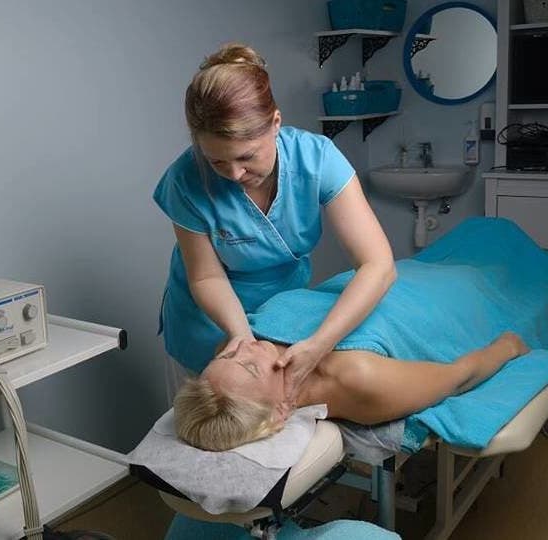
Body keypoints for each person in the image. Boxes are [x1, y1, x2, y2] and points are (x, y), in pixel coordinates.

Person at [153, 42, 396, 396]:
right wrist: (240, 337)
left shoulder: (317, 160)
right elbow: (206, 275)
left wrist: (320, 344)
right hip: (205, 324)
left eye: (246, 157)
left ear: (276, 124)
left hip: (280, 314)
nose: (234, 174)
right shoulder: (186, 179)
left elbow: (378, 265)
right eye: (217, 161)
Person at [175, 332, 530, 451]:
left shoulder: (234, 342)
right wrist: (508, 347)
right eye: (250, 367)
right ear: (280, 410)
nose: (243, 345)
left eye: (227, 356)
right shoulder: (358, 379)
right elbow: (458, 377)